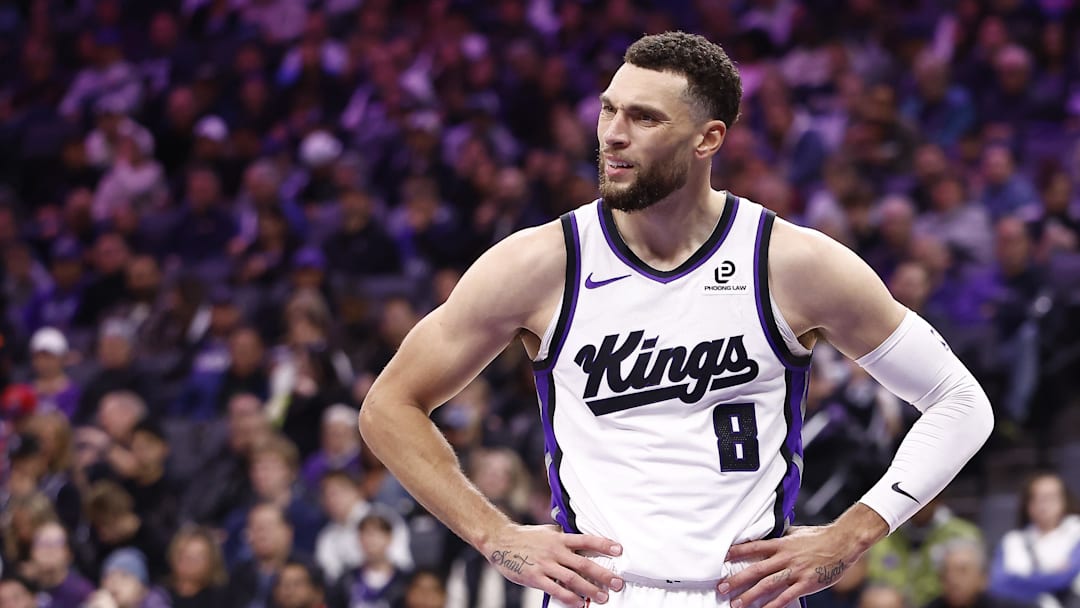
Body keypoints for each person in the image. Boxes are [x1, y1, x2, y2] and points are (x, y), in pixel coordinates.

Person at [359, 31, 994, 608]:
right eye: (609, 109)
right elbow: (388, 406)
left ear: (707, 138)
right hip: (600, 593)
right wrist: (494, 535)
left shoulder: (792, 262)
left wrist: (854, 533)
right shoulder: (540, 263)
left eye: (643, 117)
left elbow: (960, 401)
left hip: (746, 591)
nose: (612, 132)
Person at [989, 472, 1080, 608]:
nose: (1044, 505)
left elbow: (1064, 579)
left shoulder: (1076, 531)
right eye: (1038, 498)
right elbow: (998, 584)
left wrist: (1022, 579)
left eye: (1051, 497)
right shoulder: (1012, 541)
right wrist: (1052, 574)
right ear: (1028, 504)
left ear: (1064, 500)